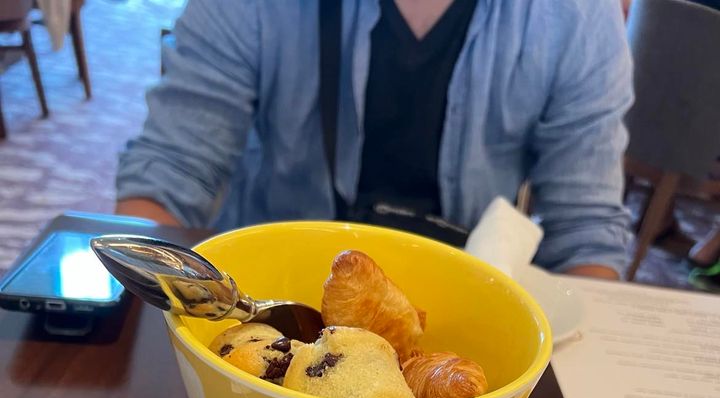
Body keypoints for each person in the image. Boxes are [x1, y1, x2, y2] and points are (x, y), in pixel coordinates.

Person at [116, 0, 633, 280]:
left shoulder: (576, 16)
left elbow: (585, 228)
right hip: (272, 292)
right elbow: (172, 170)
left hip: (460, 310)